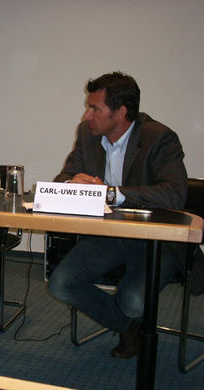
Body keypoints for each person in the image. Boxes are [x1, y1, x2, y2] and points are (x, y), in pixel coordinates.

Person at [48, 71, 200, 359]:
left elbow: (173, 194)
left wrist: (111, 193)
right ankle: (130, 327)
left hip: (157, 238)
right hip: (111, 234)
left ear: (120, 112)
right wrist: (71, 184)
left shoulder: (160, 138)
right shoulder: (88, 135)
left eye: (95, 108)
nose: (86, 115)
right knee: (60, 283)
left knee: (132, 300)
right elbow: (62, 179)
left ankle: (131, 319)